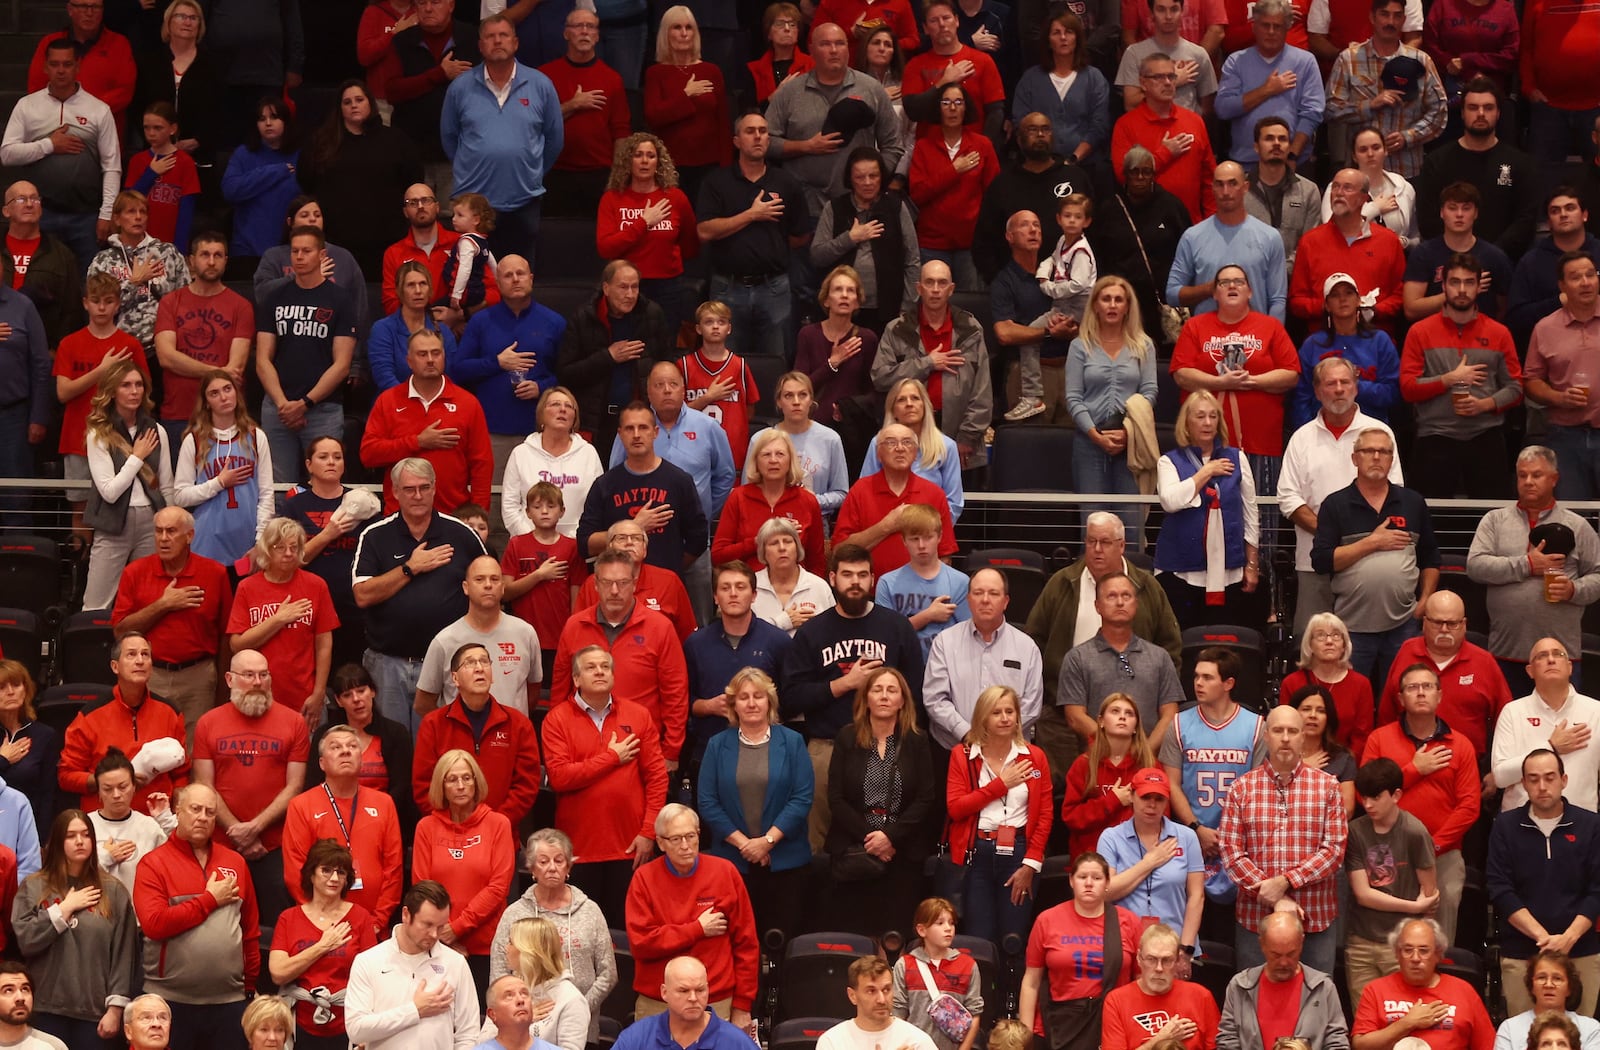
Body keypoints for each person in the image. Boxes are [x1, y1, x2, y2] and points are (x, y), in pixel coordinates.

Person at [1027, 511, 1183, 773]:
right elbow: (1034, 640)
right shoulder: (1062, 582)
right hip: (1065, 714)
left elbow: (1170, 647)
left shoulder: (1146, 586)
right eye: (1091, 542)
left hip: (1135, 719)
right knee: (1070, 792)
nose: (1097, 550)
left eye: (1105, 542)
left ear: (1122, 545)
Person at [351, 457, 487, 732]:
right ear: (395, 492)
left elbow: (490, 589)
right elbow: (362, 595)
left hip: (449, 665)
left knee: (444, 748)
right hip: (388, 665)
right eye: (409, 489)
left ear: (435, 489)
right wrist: (410, 568)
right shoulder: (375, 535)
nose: (417, 495)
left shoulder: (462, 534)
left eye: (424, 487)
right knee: (394, 749)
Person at [540, 646, 669, 921]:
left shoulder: (638, 715)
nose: (599, 671)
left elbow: (657, 778)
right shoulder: (556, 719)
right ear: (576, 679)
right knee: (581, 938)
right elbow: (561, 778)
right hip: (578, 850)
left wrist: (648, 833)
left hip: (631, 847)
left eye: (605, 666)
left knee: (627, 936)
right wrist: (612, 757)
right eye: (591, 667)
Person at [1219, 706, 1348, 973]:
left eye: (1292, 731)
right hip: (1256, 922)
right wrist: (1274, 898)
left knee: (1316, 1005)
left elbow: (1334, 851)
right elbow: (1231, 854)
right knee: (1253, 1003)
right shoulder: (1241, 788)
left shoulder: (1329, 787)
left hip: (1315, 920)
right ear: (1266, 737)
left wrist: (1286, 882)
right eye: (1278, 731)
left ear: (1303, 737)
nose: (1286, 738)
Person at [1279, 358, 1403, 634]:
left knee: (1362, 646)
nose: (1338, 389)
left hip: (1369, 561)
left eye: (1345, 382)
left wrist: (1358, 543)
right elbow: (1288, 498)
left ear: (1356, 388)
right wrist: (1330, 535)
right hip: (1314, 562)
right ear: (1317, 391)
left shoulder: (1380, 434)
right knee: (1313, 646)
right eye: (1330, 383)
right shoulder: (1301, 438)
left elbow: (1394, 492)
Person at [1310, 426, 1439, 688]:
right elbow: (1321, 561)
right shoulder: (1335, 504)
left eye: (1384, 452)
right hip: (1351, 626)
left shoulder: (1412, 502)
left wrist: (1425, 601)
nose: (1377, 457)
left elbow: (1431, 558)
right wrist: (1372, 542)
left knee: (1402, 695)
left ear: (1392, 460)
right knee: (1350, 696)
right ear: (1355, 458)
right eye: (1369, 451)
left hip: (1404, 623)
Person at [132, 784, 258, 1050]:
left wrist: (249, 988)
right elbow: (155, 925)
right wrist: (209, 900)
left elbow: (250, 930)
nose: (202, 817)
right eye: (195, 809)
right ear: (178, 811)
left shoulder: (235, 862)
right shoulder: (154, 863)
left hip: (229, 1001)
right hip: (169, 1000)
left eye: (210, 812)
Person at [1360, 664, 1479, 942]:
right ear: (1400, 698)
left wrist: (1431, 847)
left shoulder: (1460, 745)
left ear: (1439, 695)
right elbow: (1365, 794)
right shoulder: (1379, 739)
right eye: (1412, 688)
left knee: (1437, 941)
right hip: (1386, 852)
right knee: (1387, 940)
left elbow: (1469, 806)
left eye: (1427, 687)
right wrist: (1413, 770)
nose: (1421, 693)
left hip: (1443, 856)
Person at [1468, 447, 1600, 696]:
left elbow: (1597, 576)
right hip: (1504, 652)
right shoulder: (1494, 521)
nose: (1528, 482)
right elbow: (1475, 566)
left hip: (1560, 656)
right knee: (1507, 727)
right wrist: (1527, 565)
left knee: (1562, 728)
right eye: (1522, 475)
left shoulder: (1578, 526)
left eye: (1536, 475)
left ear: (1554, 479)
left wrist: (1574, 589)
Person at [192, 648, 310, 924]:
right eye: (248, 675)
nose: (257, 682)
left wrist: (254, 828)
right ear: (230, 679)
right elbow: (204, 785)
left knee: (275, 925)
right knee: (220, 923)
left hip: (275, 845)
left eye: (263, 674)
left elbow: (294, 787)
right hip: (221, 844)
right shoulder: (208, 723)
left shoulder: (294, 722)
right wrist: (238, 833)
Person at [694, 666, 811, 942]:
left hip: (787, 863)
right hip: (734, 863)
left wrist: (767, 841)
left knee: (783, 942)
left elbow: (802, 797)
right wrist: (746, 845)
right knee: (739, 941)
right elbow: (707, 802)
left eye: (758, 696)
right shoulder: (717, 745)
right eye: (743, 697)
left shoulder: (792, 742)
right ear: (733, 704)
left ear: (769, 700)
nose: (751, 703)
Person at [823, 666, 938, 939]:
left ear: (902, 701)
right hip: (855, 851)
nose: (884, 696)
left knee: (896, 935)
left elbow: (926, 798)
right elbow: (836, 798)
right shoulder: (847, 737)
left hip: (902, 853)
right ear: (866, 698)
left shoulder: (918, 741)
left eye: (891, 690)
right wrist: (871, 838)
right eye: (877, 690)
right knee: (857, 938)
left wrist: (889, 837)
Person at [440, 14, 563, 265]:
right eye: (490, 36)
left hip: (524, 199)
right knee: (472, 282)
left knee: (519, 277)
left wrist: (533, 172)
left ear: (515, 43)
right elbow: (449, 138)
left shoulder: (540, 84)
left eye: (503, 35)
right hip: (473, 202)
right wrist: (474, 165)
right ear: (481, 45)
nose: (497, 41)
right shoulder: (460, 87)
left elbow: (554, 139)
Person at [1487, 750, 1600, 1016]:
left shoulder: (1591, 825)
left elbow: (1597, 889)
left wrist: (1568, 938)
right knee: (1525, 1037)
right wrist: (1544, 938)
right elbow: (1500, 889)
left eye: (1549, 778)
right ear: (1523, 783)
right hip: (1522, 951)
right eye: (1533, 779)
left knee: (1580, 1037)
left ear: (1564, 779)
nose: (1542, 786)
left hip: (1581, 950)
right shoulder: (1504, 826)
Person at [12, 810, 138, 1049]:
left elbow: (124, 955)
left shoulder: (113, 891)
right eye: (71, 836)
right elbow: (26, 941)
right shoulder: (33, 886)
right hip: (45, 1010)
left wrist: (115, 1009)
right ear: (58, 842)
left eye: (85, 835)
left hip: (94, 1015)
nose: (79, 841)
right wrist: (63, 910)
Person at [548, 551, 688, 764]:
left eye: (622, 583)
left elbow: (675, 693)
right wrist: (557, 747)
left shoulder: (660, 627)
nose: (614, 591)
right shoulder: (574, 626)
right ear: (595, 584)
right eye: (607, 582)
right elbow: (559, 690)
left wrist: (671, 751)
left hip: (642, 749)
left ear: (634, 583)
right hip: (582, 750)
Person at [695, 111, 810, 365]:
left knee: (776, 361)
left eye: (763, 131)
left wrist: (771, 246)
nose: (758, 136)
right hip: (727, 288)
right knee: (724, 363)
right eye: (750, 131)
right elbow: (704, 231)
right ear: (736, 141)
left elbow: (801, 235)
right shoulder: (717, 182)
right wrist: (751, 215)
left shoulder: (786, 182)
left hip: (774, 288)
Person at [624, 805, 757, 1023]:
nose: (685, 846)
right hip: (658, 1002)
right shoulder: (644, 879)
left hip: (715, 1000)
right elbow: (642, 943)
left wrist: (743, 1005)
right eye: (676, 839)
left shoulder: (725, 872)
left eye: (690, 836)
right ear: (660, 843)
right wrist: (697, 929)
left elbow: (746, 943)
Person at [943, 685, 1052, 947]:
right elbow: (956, 808)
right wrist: (1000, 785)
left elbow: (1046, 814)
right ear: (983, 718)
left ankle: (1013, 989)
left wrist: (1031, 864)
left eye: (1009, 711)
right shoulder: (964, 755)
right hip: (976, 853)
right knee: (979, 937)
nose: (1004, 718)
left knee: (1013, 938)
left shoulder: (1034, 757)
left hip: (1019, 853)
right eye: (996, 712)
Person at [0, 41, 122, 272]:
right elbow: (7, 154)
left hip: (86, 215)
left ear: (78, 66)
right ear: (45, 67)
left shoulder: (99, 109)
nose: (61, 70)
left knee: (91, 285)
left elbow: (112, 167)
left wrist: (107, 214)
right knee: (41, 281)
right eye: (54, 64)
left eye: (67, 64)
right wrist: (49, 145)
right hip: (41, 213)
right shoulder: (27, 106)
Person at [490, 829, 618, 1044]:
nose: (552, 868)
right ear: (531, 868)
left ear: (568, 866)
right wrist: (524, 1010)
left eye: (559, 861)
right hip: (524, 1029)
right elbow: (499, 974)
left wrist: (575, 1008)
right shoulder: (514, 913)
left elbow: (608, 974)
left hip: (580, 1029)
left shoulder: (590, 911)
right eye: (543, 861)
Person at [764, 22, 904, 217]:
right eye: (825, 44)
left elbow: (893, 145)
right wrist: (806, 146)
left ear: (848, 48)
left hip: (859, 206)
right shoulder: (789, 92)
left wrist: (873, 180)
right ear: (811, 50)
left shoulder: (872, 89)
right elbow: (766, 142)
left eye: (840, 43)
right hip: (804, 207)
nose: (833, 50)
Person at [254, 224, 357, 483]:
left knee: (327, 481)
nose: (299, 257)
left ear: (322, 255)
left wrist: (304, 404)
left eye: (306, 251)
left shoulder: (340, 300)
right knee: (278, 486)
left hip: (322, 408)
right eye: (295, 251)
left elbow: (342, 364)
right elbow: (262, 359)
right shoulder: (274, 297)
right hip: (278, 406)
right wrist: (283, 405)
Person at [872, 261, 993, 476]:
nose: (936, 289)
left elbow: (982, 391)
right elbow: (880, 377)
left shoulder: (971, 329)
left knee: (955, 504)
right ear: (919, 288)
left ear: (951, 289)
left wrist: (966, 437)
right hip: (907, 436)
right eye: (929, 282)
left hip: (959, 435)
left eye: (942, 283)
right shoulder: (897, 329)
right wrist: (927, 363)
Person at [282, 726, 405, 937]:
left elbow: (394, 868)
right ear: (321, 763)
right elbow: (296, 872)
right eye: (336, 747)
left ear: (362, 758)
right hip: (321, 929)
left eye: (352, 746)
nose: (345, 751)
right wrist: (319, 920)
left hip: (374, 927)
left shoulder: (384, 803)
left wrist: (378, 920)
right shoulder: (301, 806)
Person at [414, 750, 515, 1003]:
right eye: (452, 779)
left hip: (486, 946)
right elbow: (422, 887)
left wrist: (456, 928)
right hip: (437, 944)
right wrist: (442, 935)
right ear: (441, 785)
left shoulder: (498, 824)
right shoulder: (426, 827)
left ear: (476, 781)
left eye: (467, 778)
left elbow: (498, 887)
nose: (461, 786)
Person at [1155, 390, 1260, 628]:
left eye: (1213, 416)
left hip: (1229, 570)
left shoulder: (1236, 457)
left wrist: (1252, 564)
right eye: (1200, 416)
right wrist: (1206, 472)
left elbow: (1251, 514)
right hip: (1182, 570)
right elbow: (1170, 501)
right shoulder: (1169, 461)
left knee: (1221, 639)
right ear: (1187, 422)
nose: (1208, 423)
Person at [1065, 275, 1158, 543]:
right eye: (1106, 299)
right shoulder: (1079, 346)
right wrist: (1095, 434)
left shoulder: (1143, 345)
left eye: (1119, 299)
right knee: (1093, 525)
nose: (1112, 305)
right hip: (1089, 443)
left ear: (1127, 306)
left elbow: (1149, 392)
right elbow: (1073, 398)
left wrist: (1129, 432)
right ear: (1095, 305)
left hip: (1130, 444)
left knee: (1130, 525)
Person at [1342, 757, 1442, 1004]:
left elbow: (1429, 894)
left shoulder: (1414, 832)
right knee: (1365, 1020)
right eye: (1364, 797)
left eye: (1376, 797)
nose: (1368, 804)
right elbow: (1363, 894)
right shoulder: (1356, 831)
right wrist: (1413, 906)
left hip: (1402, 946)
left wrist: (1420, 911)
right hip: (1361, 941)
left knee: (1404, 1017)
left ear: (1396, 795)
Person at [413, 641, 541, 829]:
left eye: (484, 662)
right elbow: (423, 785)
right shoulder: (433, 724)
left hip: (500, 831)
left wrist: (495, 824)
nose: (479, 668)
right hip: (448, 833)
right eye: (470, 663)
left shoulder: (518, 724)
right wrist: (451, 823)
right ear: (455, 678)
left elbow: (526, 786)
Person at [57, 633, 189, 814]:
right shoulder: (89, 717)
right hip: (105, 822)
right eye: (131, 654)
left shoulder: (170, 712)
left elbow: (181, 773)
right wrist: (112, 781)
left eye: (145, 654)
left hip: (157, 821)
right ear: (115, 666)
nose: (140, 660)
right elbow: (66, 776)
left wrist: (178, 809)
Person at [1375, 590, 1513, 762]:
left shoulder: (1484, 661)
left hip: (1468, 766)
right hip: (1409, 765)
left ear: (1464, 624)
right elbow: (1386, 715)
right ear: (1424, 623)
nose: (1444, 630)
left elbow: (1507, 721)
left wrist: (1497, 768)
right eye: (1438, 622)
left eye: (1452, 623)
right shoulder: (1406, 652)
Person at [1018, 851, 1140, 1044]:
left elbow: (1140, 981)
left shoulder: (1128, 922)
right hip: (1057, 1026)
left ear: (1107, 883)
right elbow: (1031, 982)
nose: (1089, 883)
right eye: (1082, 877)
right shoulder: (1047, 920)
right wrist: (1024, 1038)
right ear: (1071, 881)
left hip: (1112, 1025)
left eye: (1097, 878)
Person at [344, 880, 481, 1050]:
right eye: (427, 924)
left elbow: (468, 1034)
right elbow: (356, 1030)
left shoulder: (456, 963)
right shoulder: (368, 961)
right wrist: (415, 1010)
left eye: (440, 927)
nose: (434, 934)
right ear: (406, 915)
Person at [556, 262, 676, 456]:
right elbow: (566, 374)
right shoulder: (584, 318)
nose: (630, 294)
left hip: (639, 423)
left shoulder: (652, 314)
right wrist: (608, 357)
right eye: (623, 287)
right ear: (606, 288)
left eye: (634, 287)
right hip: (597, 422)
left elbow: (666, 363)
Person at [83, 363, 174, 612]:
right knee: (96, 603)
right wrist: (137, 457)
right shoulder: (98, 433)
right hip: (113, 524)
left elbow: (166, 486)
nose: (134, 391)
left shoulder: (157, 431)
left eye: (139, 385)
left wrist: (171, 523)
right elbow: (109, 492)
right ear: (112, 392)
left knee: (149, 601)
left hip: (151, 521)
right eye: (126, 385)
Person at [268, 840, 376, 1050]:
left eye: (341, 873)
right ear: (311, 874)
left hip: (348, 1024)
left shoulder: (361, 917)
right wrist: (323, 946)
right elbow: (278, 973)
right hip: (300, 1024)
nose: (334, 878)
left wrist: (368, 1031)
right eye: (326, 870)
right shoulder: (289, 918)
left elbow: (373, 980)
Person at [280, 438, 378, 669]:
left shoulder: (362, 502)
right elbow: (289, 562)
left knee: (353, 677)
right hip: (308, 606)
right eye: (323, 457)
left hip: (354, 606)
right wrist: (327, 534)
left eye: (337, 457)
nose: (331, 462)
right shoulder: (295, 505)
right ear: (309, 464)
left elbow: (376, 556)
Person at [1059, 575, 1185, 749]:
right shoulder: (1077, 658)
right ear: (1097, 606)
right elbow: (1075, 716)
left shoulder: (1160, 657)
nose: (1120, 602)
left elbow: (1170, 715)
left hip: (1149, 765)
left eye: (1126, 596)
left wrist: (1144, 752)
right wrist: (1114, 748)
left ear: (1136, 604)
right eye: (1111, 596)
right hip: (1098, 763)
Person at [1417, 78, 1538, 258]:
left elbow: (1526, 220)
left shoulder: (1520, 163)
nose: (1481, 114)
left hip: (1503, 262)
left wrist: (1491, 255)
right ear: (1463, 113)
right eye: (1473, 108)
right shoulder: (1437, 162)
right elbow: (1428, 219)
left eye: (1488, 108)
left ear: (1498, 113)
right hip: (1448, 263)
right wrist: (1459, 256)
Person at [1324, 1, 1448, 177]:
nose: (1391, 21)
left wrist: (1408, 137)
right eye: (1384, 14)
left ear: (1404, 19)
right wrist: (1369, 105)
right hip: (1360, 173)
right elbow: (1330, 109)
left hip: (1407, 170)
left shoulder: (1422, 61)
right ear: (1372, 17)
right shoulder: (1348, 59)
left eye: (1397, 16)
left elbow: (1439, 113)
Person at [1099, 769, 1204, 964]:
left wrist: (1186, 949)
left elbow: (1196, 896)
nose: (1152, 805)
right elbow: (1105, 892)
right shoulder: (1111, 837)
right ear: (1131, 796)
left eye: (1159, 799)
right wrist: (1149, 863)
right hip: (1126, 946)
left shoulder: (1186, 837)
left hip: (1175, 945)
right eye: (1145, 797)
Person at [811, 149, 920, 335]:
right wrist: (850, 239)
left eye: (873, 176)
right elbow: (817, 256)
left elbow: (913, 260)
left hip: (888, 309)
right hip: (844, 310)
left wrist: (907, 307)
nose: (868, 182)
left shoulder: (895, 207)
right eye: (860, 177)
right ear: (850, 179)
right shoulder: (835, 208)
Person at [596, 135, 698, 334]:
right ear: (628, 161)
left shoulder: (675, 198)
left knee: (664, 348)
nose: (644, 161)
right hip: (626, 286)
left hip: (667, 287)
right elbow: (606, 247)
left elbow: (690, 245)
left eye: (650, 156)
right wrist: (643, 222)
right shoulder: (612, 198)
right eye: (638, 155)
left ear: (658, 162)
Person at [173, 371, 273, 567]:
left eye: (227, 389)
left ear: (237, 393)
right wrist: (219, 483)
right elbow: (180, 496)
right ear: (206, 402)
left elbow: (267, 494)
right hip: (206, 541)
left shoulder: (256, 436)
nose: (224, 397)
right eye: (214, 393)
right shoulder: (193, 440)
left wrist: (261, 540)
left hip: (246, 541)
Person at [380, 3, 481, 196]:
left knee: (457, 219)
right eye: (421, 2)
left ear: (451, 5)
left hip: (460, 154)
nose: (427, 8)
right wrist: (438, 74)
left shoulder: (472, 37)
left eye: (435, 2)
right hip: (413, 153)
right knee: (415, 218)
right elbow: (392, 91)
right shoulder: (402, 41)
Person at [537, 7, 630, 216]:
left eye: (591, 27)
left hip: (599, 175)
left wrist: (617, 178)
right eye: (578, 26)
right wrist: (572, 105)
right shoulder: (544, 76)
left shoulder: (612, 79)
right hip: (555, 174)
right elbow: (534, 125)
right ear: (566, 33)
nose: (585, 31)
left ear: (597, 36)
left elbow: (621, 133)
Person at [1289, 172, 1408, 334]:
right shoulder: (1309, 242)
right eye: (1335, 187)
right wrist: (1331, 307)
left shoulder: (1388, 241)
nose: (1338, 193)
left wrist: (1373, 310)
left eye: (1347, 188)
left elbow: (1400, 296)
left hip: (1374, 343)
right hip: (1324, 345)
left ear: (1363, 198)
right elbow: (1296, 301)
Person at [1350, 917, 1494, 1050]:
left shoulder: (1463, 990)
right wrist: (1407, 1023)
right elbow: (1360, 1045)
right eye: (1407, 950)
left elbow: (1488, 1045)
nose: (1415, 958)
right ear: (1397, 953)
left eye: (1424, 951)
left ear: (1438, 954)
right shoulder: (1375, 990)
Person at [1524, 253, 1600, 501]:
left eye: (1591, 275)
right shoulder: (1545, 328)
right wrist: (1559, 397)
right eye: (1576, 277)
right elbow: (1531, 381)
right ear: (1562, 286)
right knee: (1572, 516)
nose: (1586, 282)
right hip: (1565, 437)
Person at [1217, 912, 1351, 1050]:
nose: (1284, 963)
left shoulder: (1323, 987)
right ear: (1262, 944)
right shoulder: (1240, 986)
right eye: (1276, 954)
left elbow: (1337, 1042)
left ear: (1301, 942)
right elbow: (1227, 1040)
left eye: (1291, 954)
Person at [1109, 52, 1217, 224]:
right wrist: (1164, 154)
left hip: (1193, 225)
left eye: (1171, 76)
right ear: (1143, 83)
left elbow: (1209, 178)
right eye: (1158, 77)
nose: (1167, 82)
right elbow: (1124, 176)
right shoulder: (1126, 125)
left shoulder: (1194, 121)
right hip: (1147, 227)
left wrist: (1212, 221)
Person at [1214, 0, 1324, 167]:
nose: (1271, 32)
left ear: (1287, 28)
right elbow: (1223, 109)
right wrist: (1267, 90)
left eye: (1277, 26)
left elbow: (1312, 113)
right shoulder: (1236, 61)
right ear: (1254, 27)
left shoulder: (1305, 61)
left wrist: (1293, 155)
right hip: (1246, 163)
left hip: (1294, 162)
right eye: (1265, 26)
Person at [308, 664, 418, 832]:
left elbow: (402, 787)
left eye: (361, 691)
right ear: (338, 701)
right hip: (332, 824)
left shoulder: (395, 733)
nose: (356, 699)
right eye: (347, 695)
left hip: (384, 821)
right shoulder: (325, 735)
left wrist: (373, 818)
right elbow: (313, 785)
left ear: (373, 692)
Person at [1289, 272, 1402, 431]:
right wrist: (1305, 434)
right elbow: (1301, 398)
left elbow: (1393, 393)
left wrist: (1352, 386)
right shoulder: (1312, 345)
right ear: (1327, 305)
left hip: (1371, 432)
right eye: (1335, 295)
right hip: (1323, 432)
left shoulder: (1380, 341)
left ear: (1358, 300)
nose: (1342, 299)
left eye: (1348, 293)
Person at [1011, 10, 1110, 181]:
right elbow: (1021, 123)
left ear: (1077, 38)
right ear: (1048, 41)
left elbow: (1099, 126)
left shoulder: (1094, 78)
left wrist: (1073, 159)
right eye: (1056, 33)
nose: (1063, 37)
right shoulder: (1030, 79)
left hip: (1086, 169)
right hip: (1038, 170)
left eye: (1069, 32)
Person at [1062, 692, 1154, 858]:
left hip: (1137, 857)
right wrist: (1112, 801)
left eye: (1129, 714)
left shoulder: (1149, 766)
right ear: (1101, 721)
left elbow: (1162, 816)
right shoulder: (1084, 764)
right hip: (1092, 860)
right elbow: (1071, 818)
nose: (1122, 717)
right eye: (1115, 711)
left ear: (1136, 726)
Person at [1404, 182, 1512, 324]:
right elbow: (1411, 310)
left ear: (1476, 213)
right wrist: (1462, 292)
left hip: (1482, 337)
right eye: (1452, 208)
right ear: (1442, 212)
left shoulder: (1495, 257)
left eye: (1466, 209)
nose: (1459, 215)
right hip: (1436, 337)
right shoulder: (1423, 254)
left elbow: (1505, 310)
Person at [860, 378, 965, 520]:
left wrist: (932, 533)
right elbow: (865, 493)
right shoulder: (878, 443)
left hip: (930, 534)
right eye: (901, 400)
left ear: (925, 405)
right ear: (893, 409)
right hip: (884, 529)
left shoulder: (947, 446)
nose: (909, 404)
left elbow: (954, 503)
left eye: (915, 398)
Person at [1101, 923, 1219, 1050]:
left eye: (1167, 960)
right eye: (1151, 959)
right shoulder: (1116, 1000)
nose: (1159, 968)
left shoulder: (1200, 996)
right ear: (1139, 959)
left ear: (1178, 961)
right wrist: (1160, 1039)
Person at [1507, 190, 1600, 348]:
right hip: (1552, 351)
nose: (1563, 214)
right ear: (1549, 223)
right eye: (1555, 211)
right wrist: (1559, 301)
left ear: (1584, 215)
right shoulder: (1531, 262)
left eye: (1570, 208)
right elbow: (1516, 320)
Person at [1, 178, 86, 351]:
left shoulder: (62, 255)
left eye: (35, 199)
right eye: (21, 199)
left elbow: (72, 311)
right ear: (6, 211)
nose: (29, 204)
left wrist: (58, 351)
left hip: (43, 352)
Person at [25, 0, 136, 132]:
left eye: (95, 7)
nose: (89, 13)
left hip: (103, 132)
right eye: (83, 6)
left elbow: (124, 90)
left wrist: (86, 112)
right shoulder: (49, 43)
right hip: (55, 132)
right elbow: (36, 88)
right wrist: (65, 115)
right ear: (70, 9)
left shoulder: (119, 44)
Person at [220, 99, 302, 276]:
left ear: (286, 121)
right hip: (247, 251)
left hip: (289, 252)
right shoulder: (244, 154)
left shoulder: (300, 155)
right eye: (261, 118)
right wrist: (276, 171)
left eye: (274, 117)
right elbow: (231, 190)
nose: (268, 123)